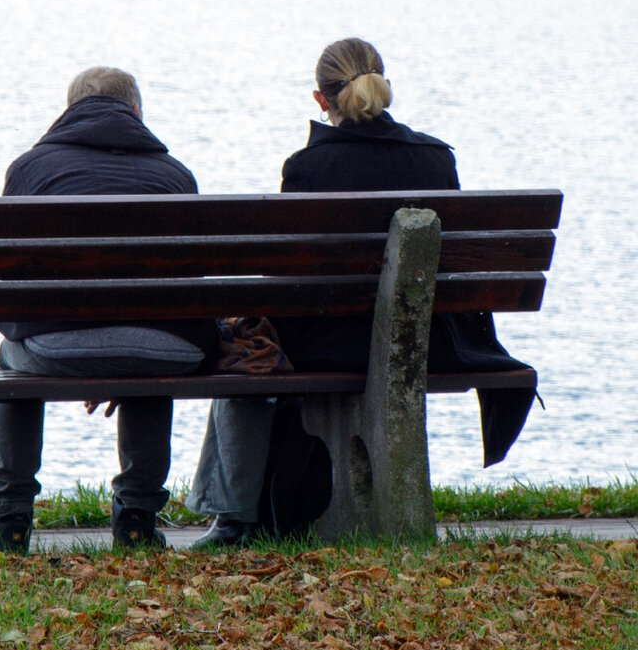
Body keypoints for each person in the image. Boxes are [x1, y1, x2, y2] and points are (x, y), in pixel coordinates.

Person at [188, 38, 537, 550]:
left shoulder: (307, 168)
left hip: (331, 347)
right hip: (423, 346)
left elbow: (289, 282)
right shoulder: (436, 160)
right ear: (385, 84)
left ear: (319, 99)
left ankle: (234, 519)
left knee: (247, 349)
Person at [0, 67, 216, 554]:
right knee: (151, 348)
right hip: (166, 346)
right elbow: (189, 283)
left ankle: (9, 518)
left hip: (56, 342)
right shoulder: (175, 175)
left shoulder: (29, 169)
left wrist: (71, 330)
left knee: (10, 357)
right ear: (136, 112)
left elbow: (7, 284)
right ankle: (137, 518)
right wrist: (121, 346)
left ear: (68, 112)